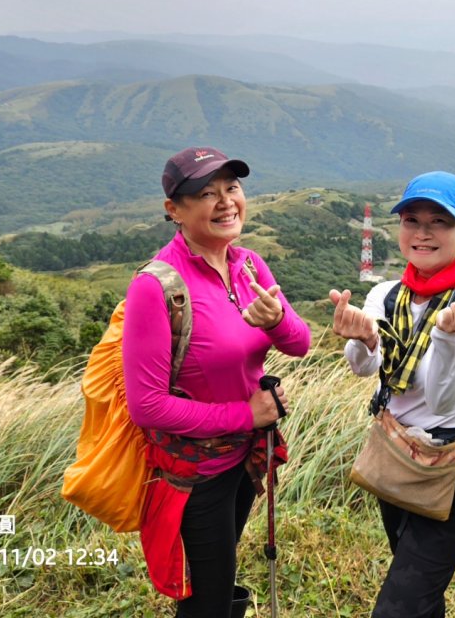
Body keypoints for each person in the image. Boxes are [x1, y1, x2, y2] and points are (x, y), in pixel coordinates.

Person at [123, 146, 311, 618]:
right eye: (207, 192)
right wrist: (247, 413)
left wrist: (276, 323)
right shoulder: (156, 287)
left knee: (217, 582)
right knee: (206, 601)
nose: (226, 201)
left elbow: (300, 342)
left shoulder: (248, 265)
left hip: (242, 461)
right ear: (175, 211)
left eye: (232, 187)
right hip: (195, 476)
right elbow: (147, 407)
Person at [328, 171, 455, 618]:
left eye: (440, 221)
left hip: (448, 464)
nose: (423, 232)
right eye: (412, 219)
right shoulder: (387, 294)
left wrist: (447, 336)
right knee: (420, 595)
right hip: (394, 451)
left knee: (399, 606)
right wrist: (362, 340)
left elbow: (448, 402)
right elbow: (365, 369)